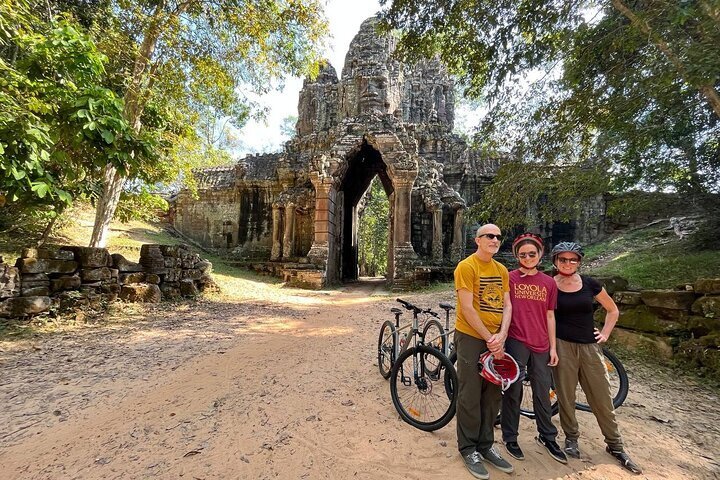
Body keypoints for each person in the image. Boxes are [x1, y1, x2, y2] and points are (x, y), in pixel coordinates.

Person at [551, 241, 643, 475]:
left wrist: (605, 333)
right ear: (555, 261)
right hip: (562, 346)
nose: (568, 263)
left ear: (579, 262)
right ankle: (571, 438)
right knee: (566, 396)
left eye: (573, 259)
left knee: (601, 397)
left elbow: (612, 310)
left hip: (590, 347)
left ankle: (615, 444)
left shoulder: (590, 284)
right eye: (563, 259)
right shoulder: (550, 284)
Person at [454, 223, 514, 479]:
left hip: (496, 338)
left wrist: (502, 335)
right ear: (477, 240)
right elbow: (467, 307)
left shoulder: (502, 270)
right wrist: (490, 338)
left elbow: (508, 305)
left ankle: (486, 445)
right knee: (470, 392)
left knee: (493, 393)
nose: (495, 239)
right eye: (489, 236)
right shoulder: (466, 267)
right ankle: (468, 448)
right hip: (471, 337)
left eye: (498, 237)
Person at [500, 233, 566, 464]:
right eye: (523, 254)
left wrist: (553, 348)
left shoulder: (548, 282)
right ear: (517, 255)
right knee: (513, 391)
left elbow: (550, 316)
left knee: (542, 393)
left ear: (540, 254)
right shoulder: (509, 278)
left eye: (532, 254)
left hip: (541, 344)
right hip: (517, 340)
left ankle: (547, 436)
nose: (527, 257)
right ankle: (510, 437)